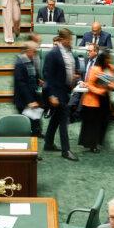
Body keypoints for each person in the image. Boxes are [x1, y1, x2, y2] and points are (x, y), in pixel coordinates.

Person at [43, 29, 79, 161]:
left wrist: (72, 77)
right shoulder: (52, 54)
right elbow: (48, 76)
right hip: (57, 92)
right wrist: (52, 95)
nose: (71, 42)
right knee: (64, 121)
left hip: (65, 90)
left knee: (56, 118)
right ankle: (66, 150)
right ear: (63, 39)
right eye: (69, 39)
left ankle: (48, 143)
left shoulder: (68, 51)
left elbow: (67, 68)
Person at [77, 48, 114, 153]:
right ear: (103, 59)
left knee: (103, 121)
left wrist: (111, 85)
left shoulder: (110, 68)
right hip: (93, 100)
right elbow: (89, 85)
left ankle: (98, 141)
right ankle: (91, 145)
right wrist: (100, 91)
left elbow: (113, 83)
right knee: (93, 123)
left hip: (105, 100)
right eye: (108, 58)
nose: (110, 60)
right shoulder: (95, 69)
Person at [13, 41, 43, 137]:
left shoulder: (30, 60)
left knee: (35, 118)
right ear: (29, 51)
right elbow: (21, 84)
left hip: (31, 95)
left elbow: (32, 76)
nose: (35, 54)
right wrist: (29, 101)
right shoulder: (20, 63)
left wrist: (38, 81)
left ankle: (36, 133)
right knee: (25, 122)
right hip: (23, 98)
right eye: (34, 51)